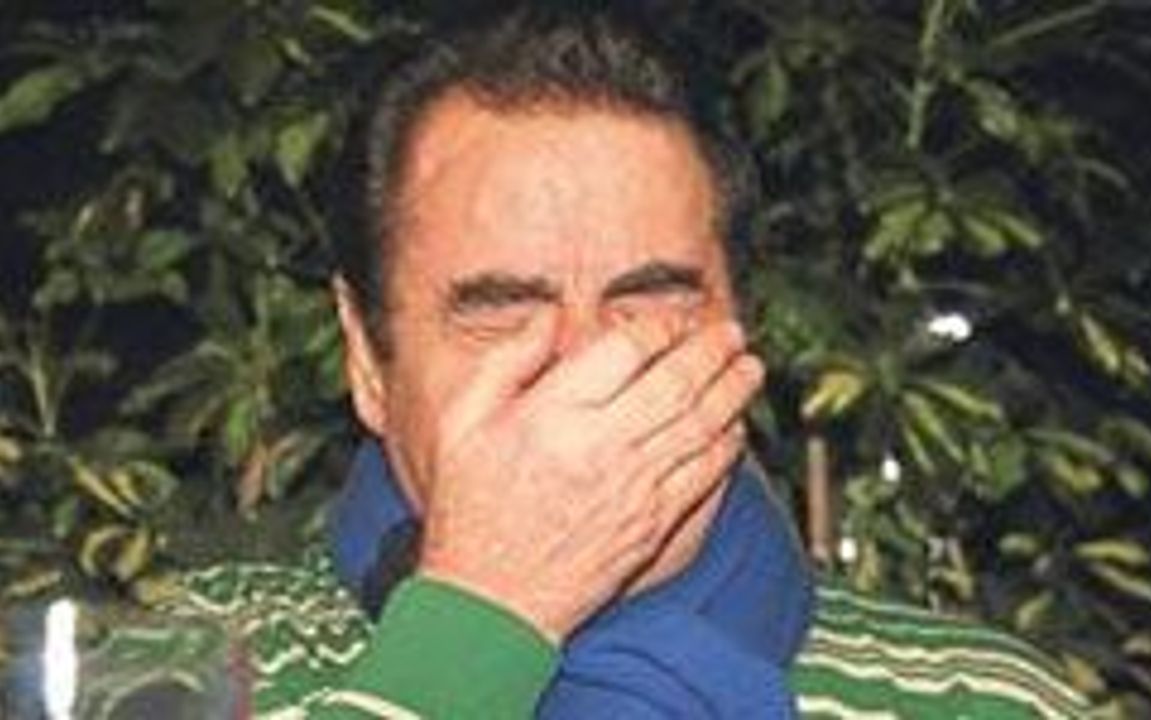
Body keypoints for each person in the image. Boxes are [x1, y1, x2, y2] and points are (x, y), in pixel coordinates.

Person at [163, 5, 1095, 718]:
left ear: (742, 334)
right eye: (504, 312)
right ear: (369, 360)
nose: (585, 369)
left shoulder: (978, 701)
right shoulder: (187, 669)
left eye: (651, 304)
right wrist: (481, 618)